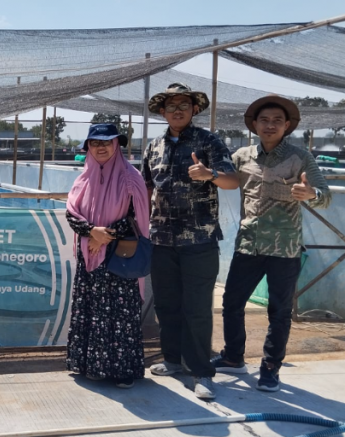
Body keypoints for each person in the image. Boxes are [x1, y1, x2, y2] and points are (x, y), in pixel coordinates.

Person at [213, 96, 330, 392]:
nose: (270, 125)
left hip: (284, 248)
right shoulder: (241, 156)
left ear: (287, 125)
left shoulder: (301, 157)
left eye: (277, 120)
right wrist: (207, 174)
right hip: (248, 245)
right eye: (264, 120)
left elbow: (325, 194)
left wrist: (311, 194)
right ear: (254, 125)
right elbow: (224, 179)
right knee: (231, 303)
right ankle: (233, 357)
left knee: (279, 312)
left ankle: (270, 367)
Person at [141, 83, 239, 400]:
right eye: (171, 106)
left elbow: (232, 181)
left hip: (199, 240)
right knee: (167, 305)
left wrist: (210, 174)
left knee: (196, 309)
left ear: (194, 109)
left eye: (184, 105)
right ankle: (172, 360)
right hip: (161, 239)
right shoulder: (153, 147)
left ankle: (201, 372)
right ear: (162, 112)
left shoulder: (209, 141)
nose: (178, 110)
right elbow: (144, 188)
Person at [65, 123, 150, 389]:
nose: (101, 147)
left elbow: (137, 219)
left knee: (120, 314)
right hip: (90, 257)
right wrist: (91, 231)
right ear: (88, 147)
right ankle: (93, 366)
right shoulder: (83, 179)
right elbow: (71, 213)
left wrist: (103, 236)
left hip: (119, 257)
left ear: (116, 145)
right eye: (95, 143)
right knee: (92, 311)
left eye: (107, 142)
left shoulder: (130, 177)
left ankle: (123, 370)